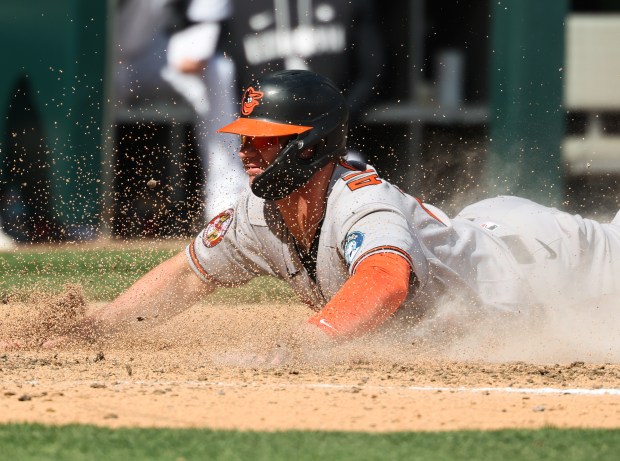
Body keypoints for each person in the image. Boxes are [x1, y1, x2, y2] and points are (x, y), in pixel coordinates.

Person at [34, 70, 620, 363]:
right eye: (246, 139)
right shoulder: (257, 216)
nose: (246, 152)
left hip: (543, 256)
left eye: (266, 141)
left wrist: (303, 342)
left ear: (309, 145)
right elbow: (189, 274)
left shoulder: (360, 201)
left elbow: (386, 280)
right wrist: (101, 324)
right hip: (482, 235)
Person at [114, 0, 245, 219]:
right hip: (109, 60)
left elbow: (204, 25)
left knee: (218, 71)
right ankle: (83, 209)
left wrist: (197, 50)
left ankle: (226, 199)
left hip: (159, 55)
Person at [225, 0, 385, 154]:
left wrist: (335, 123)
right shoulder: (233, 5)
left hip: (337, 144)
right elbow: (226, 78)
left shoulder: (349, 3)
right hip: (261, 143)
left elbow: (371, 72)